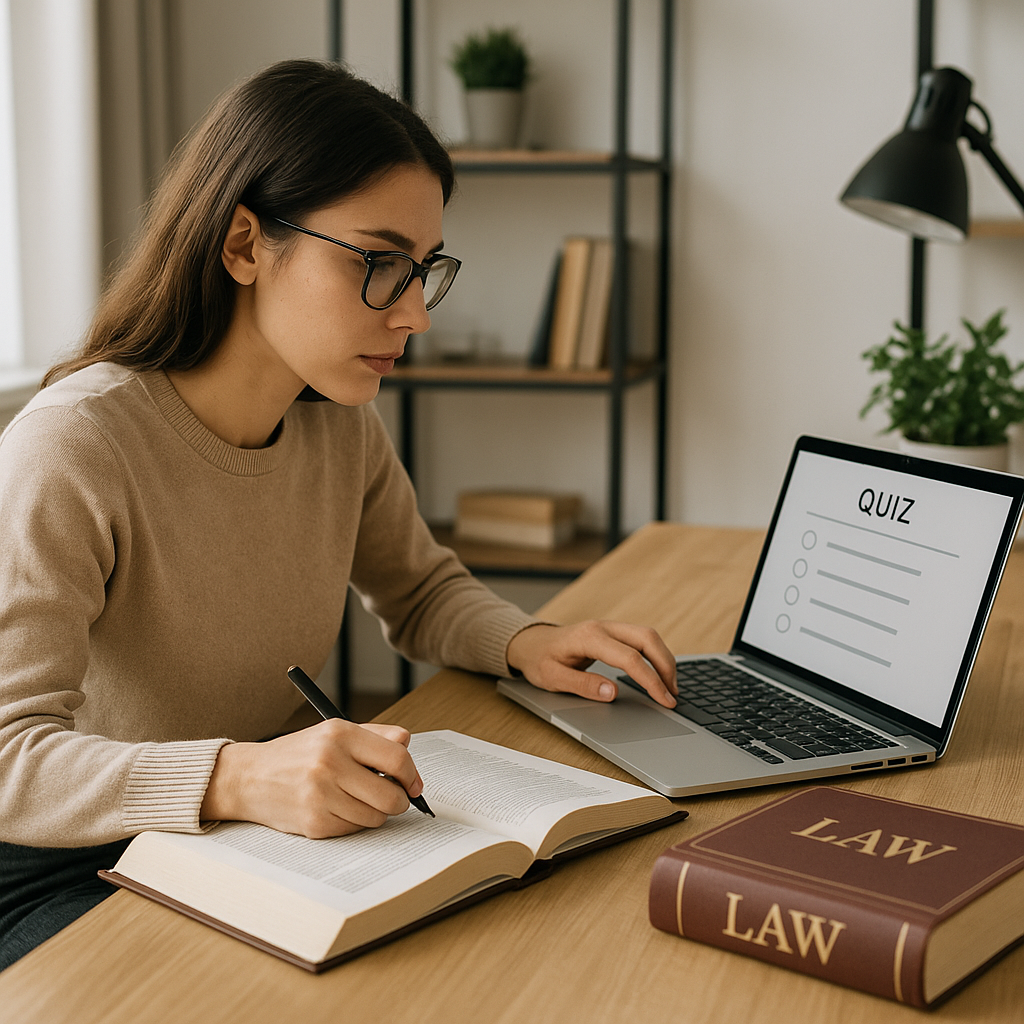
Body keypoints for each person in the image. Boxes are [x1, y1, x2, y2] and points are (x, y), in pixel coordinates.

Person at [0, 59, 677, 969]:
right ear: (244, 244)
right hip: (65, 868)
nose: (414, 316)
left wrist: (524, 641)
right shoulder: (75, 446)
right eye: (379, 263)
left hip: (237, 833)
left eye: (424, 271)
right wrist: (238, 774)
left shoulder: (335, 423)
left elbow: (421, 589)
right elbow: (9, 757)